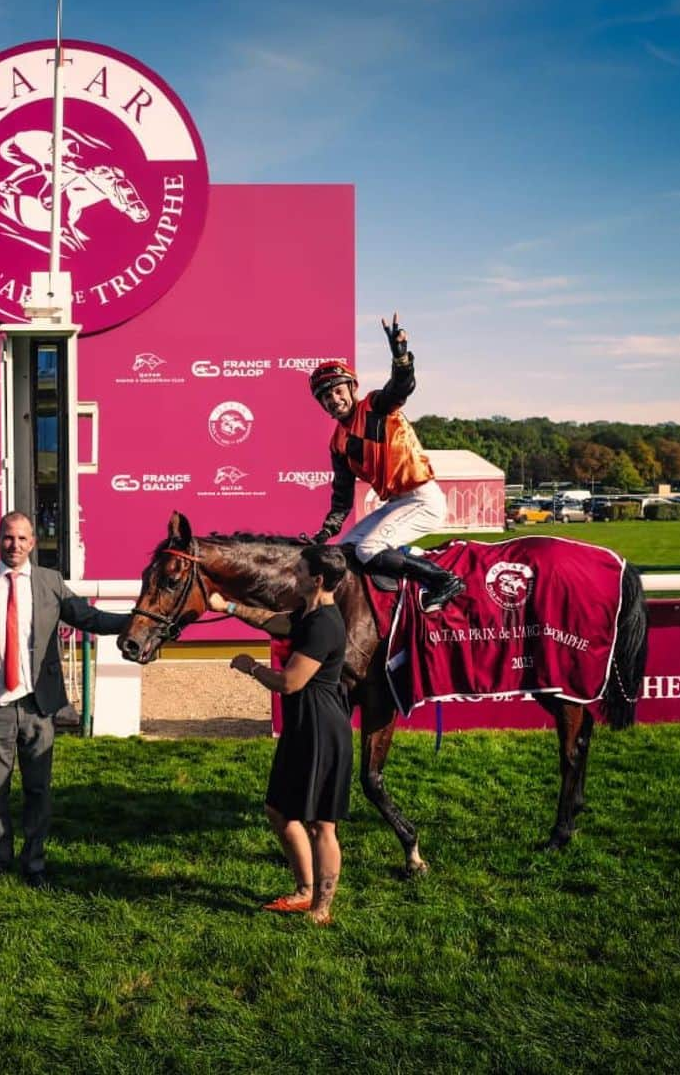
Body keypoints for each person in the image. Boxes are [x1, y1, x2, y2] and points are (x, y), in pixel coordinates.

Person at [0, 511, 130, 887]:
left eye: (23, 538)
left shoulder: (50, 582)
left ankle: (34, 863)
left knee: (38, 789)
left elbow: (87, 618)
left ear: (33, 543)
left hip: (38, 706)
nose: (15, 545)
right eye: (9, 538)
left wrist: (131, 621)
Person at [209, 543, 351, 926]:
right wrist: (230, 609)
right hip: (303, 726)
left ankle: (321, 907)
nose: (295, 575)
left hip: (322, 728)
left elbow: (290, 682)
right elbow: (275, 621)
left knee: (322, 822)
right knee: (279, 810)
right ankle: (304, 892)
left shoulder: (324, 625)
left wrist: (250, 668)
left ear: (317, 580)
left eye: (301, 571)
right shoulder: (308, 613)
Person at [308, 312, 464, 614]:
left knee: (368, 549)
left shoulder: (376, 406)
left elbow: (401, 386)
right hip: (395, 504)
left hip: (422, 499)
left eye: (338, 391)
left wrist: (401, 357)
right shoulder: (337, 443)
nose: (333, 399)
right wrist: (325, 533)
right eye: (325, 397)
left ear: (352, 388)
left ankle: (445, 580)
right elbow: (341, 500)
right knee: (345, 551)